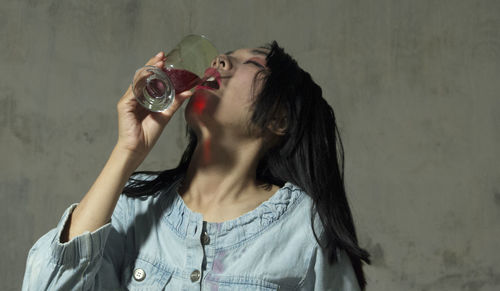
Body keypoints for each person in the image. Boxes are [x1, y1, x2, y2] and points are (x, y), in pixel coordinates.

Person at [22, 41, 370, 290]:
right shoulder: (133, 204)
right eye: (225, 55)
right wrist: (127, 151)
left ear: (279, 117)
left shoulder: (304, 229)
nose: (220, 60)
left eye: (251, 63)